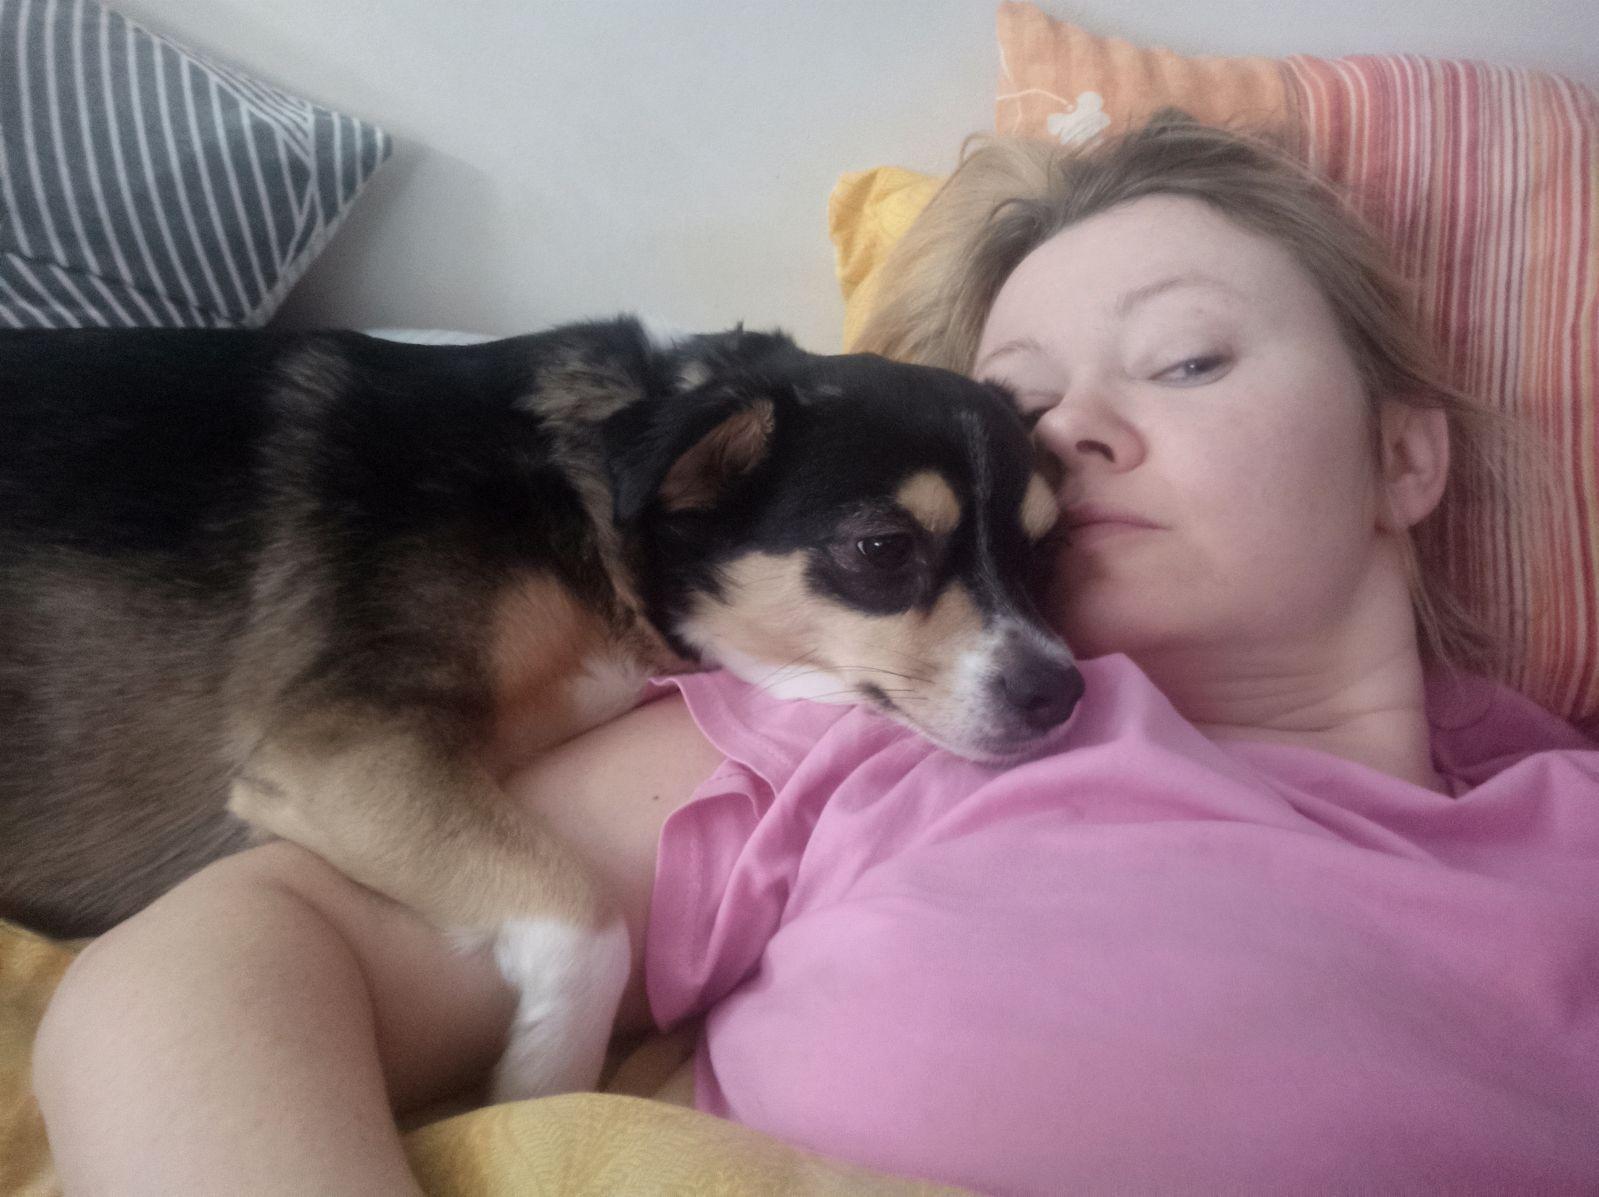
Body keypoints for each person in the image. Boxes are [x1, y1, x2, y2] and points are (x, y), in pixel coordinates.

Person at [32, 114, 1599, 1194]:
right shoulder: (846, 719)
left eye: (1186, 359)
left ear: (1405, 455)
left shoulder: (1570, 825)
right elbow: (202, 976)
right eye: (1025, 406)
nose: (1074, 438)